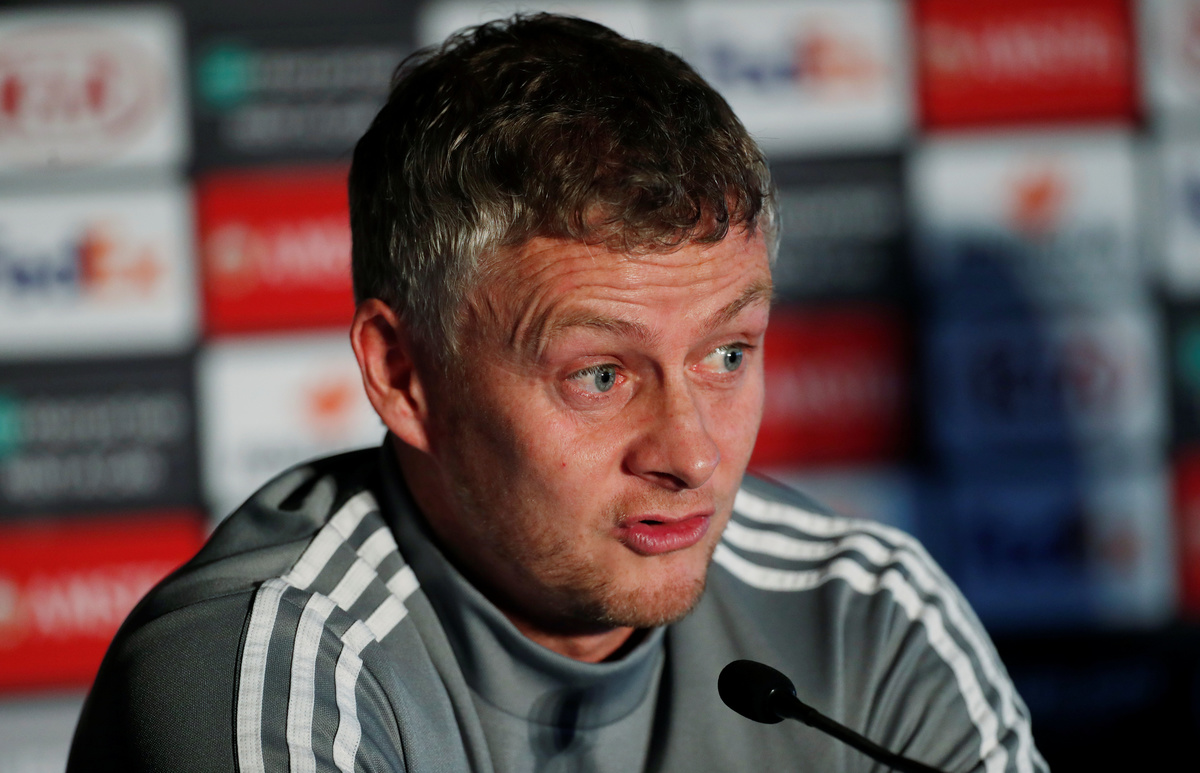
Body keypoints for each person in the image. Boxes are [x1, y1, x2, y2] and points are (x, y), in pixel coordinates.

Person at [69, 14, 1046, 773]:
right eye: (601, 374)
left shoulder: (860, 617)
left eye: (726, 354)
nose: (692, 453)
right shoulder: (265, 668)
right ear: (404, 375)